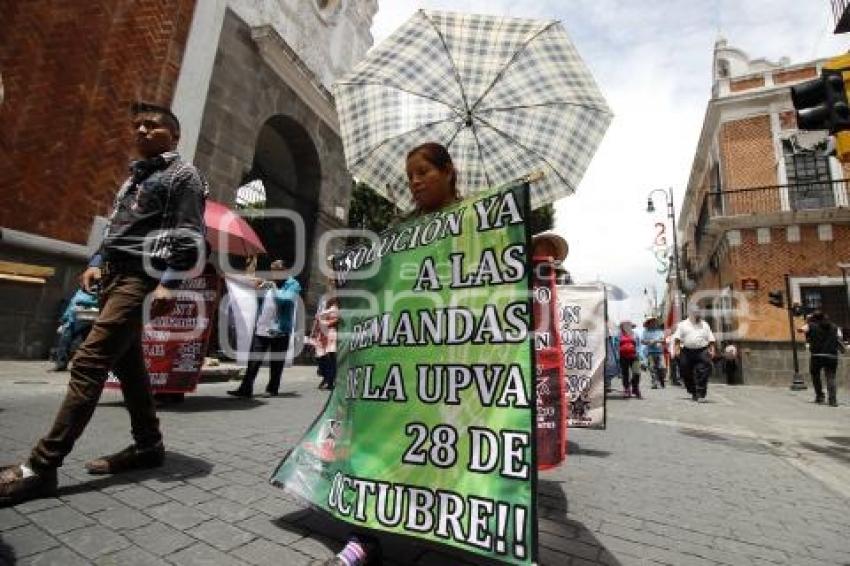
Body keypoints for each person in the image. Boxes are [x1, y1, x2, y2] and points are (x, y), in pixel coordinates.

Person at [1, 102, 207, 507]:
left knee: (90, 360)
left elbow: (189, 233)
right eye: (138, 126)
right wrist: (96, 261)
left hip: (142, 276)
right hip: (114, 274)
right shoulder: (135, 176)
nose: (143, 131)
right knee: (128, 365)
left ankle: (42, 466)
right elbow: (118, 226)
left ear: (175, 135)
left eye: (153, 125)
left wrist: (168, 282)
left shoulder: (184, 175)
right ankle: (149, 446)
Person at [326, 142, 461, 566]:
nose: (416, 182)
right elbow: (378, 284)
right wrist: (348, 304)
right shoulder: (400, 227)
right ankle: (363, 538)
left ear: (448, 171)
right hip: (393, 353)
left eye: (424, 172)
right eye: (410, 177)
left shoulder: (474, 220)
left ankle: (450, 520)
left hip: (445, 354)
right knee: (374, 436)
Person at [228, 260, 301, 398]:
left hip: (280, 330)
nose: (274, 274)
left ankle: (272, 389)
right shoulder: (269, 283)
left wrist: (273, 287)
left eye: (277, 271)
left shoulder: (293, 285)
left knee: (276, 363)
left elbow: (285, 300)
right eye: (273, 271)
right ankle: (245, 389)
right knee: (254, 360)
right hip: (262, 328)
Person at [51, 286, 99, 371]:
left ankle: (86, 365)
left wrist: (81, 303)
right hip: (73, 321)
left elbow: (97, 302)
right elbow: (71, 305)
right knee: (64, 342)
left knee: (86, 344)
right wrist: (64, 319)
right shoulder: (80, 292)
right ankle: (61, 364)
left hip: (88, 321)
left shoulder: (97, 293)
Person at [673, 310, 716, 402]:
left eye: (699, 314)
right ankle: (693, 391)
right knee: (685, 371)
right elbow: (677, 338)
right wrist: (676, 350)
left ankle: (700, 393)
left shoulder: (705, 324)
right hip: (686, 351)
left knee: (703, 371)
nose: (698, 316)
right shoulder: (682, 325)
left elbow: (710, 338)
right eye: (696, 314)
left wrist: (712, 349)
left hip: (702, 350)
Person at [802, 311, 844, 406]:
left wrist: (808, 321)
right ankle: (833, 400)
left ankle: (820, 396)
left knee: (815, 375)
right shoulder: (835, 327)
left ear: (815, 318)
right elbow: (840, 338)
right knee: (831, 377)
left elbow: (801, 330)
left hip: (817, 356)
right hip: (832, 356)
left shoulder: (811, 325)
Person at [312, 278, 340, 390]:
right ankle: (325, 376)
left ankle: (330, 380)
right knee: (320, 356)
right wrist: (314, 330)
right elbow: (318, 313)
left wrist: (329, 323)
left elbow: (339, 316)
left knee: (331, 356)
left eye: (334, 281)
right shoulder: (324, 298)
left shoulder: (341, 298)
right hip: (321, 331)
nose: (332, 283)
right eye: (330, 282)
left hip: (332, 330)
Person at [618, 321, 641, 398]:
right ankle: (627, 389)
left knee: (636, 373)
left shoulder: (635, 334)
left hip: (634, 356)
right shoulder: (619, 335)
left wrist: (638, 353)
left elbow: (638, 345)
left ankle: (635, 387)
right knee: (625, 374)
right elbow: (615, 345)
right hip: (623, 357)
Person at [642, 316, 666, 389]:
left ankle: (661, 380)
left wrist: (656, 341)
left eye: (654, 322)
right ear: (648, 323)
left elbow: (663, 340)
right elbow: (643, 341)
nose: (653, 323)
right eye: (651, 322)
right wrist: (649, 342)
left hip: (659, 352)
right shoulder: (645, 332)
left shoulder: (660, 331)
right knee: (652, 368)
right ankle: (654, 382)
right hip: (650, 352)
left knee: (662, 367)